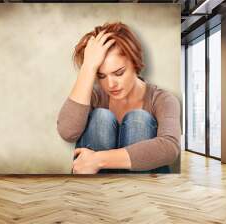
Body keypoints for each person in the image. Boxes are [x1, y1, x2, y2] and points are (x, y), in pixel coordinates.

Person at [57, 22, 181, 174]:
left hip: (142, 190)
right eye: (101, 76)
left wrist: (99, 160)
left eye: (119, 72)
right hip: (97, 191)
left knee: (138, 119)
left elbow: (170, 147)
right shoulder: (94, 95)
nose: (110, 84)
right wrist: (88, 67)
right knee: (101, 117)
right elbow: (67, 132)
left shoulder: (162, 99)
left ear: (135, 63)